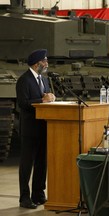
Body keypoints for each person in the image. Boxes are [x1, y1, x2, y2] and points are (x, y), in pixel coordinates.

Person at [16, 49, 56, 209]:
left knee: (41, 163)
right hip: (30, 129)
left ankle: (38, 194)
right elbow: (23, 103)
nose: (46, 64)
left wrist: (51, 97)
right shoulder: (24, 80)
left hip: (43, 127)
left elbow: (45, 98)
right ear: (36, 63)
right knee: (27, 164)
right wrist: (42, 100)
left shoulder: (44, 80)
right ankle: (24, 198)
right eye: (44, 61)